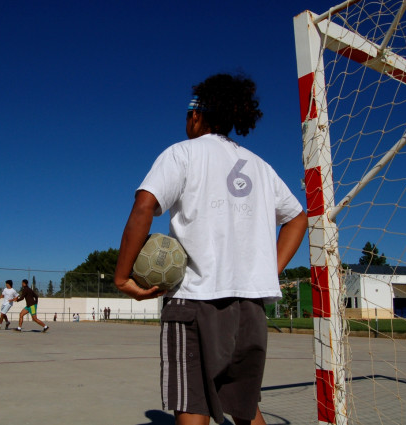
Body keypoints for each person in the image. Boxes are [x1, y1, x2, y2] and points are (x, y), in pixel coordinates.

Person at [114, 73, 307, 425]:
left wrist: (122, 276)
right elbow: (297, 218)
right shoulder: (261, 167)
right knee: (246, 409)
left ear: (197, 115)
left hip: (195, 301)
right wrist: (268, 271)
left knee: (194, 405)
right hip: (251, 307)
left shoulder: (182, 154)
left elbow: (144, 205)